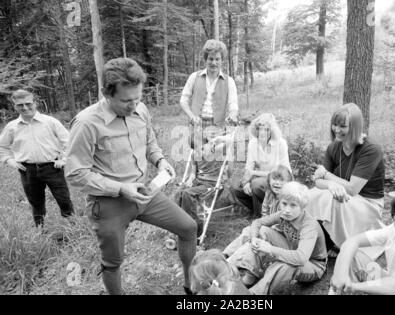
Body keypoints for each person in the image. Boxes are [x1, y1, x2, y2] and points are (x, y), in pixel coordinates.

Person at [65, 58, 197, 295]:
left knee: (188, 227)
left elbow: (149, 142)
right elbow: (75, 174)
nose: (134, 105)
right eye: (127, 100)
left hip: (145, 194)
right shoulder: (87, 123)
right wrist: (120, 188)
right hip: (108, 204)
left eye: (138, 98)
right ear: (107, 93)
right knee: (113, 262)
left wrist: (160, 160)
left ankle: (190, 284)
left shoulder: (141, 109)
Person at [307, 103, 385, 256]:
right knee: (311, 194)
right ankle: (308, 238)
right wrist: (330, 184)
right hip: (340, 195)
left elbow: (352, 189)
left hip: (368, 203)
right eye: (334, 124)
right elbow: (318, 181)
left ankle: (328, 246)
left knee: (334, 199)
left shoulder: (371, 149)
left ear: (355, 127)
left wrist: (327, 176)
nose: (336, 129)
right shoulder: (333, 147)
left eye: (342, 126)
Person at [227, 182, 328, 295]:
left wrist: (269, 249)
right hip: (292, 249)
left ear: (302, 207)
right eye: (284, 203)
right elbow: (258, 222)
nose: (287, 209)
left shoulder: (309, 226)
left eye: (293, 205)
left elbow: (301, 258)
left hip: (313, 264)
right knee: (263, 231)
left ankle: (254, 293)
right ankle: (249, 274)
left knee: (287, 264)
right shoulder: (283, 214)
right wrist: (255, 238)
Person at [0, 89, 74, 227]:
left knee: (64, 200)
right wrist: (10, 161)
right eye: (20, 105)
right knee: (36, 203)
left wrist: (63, 159)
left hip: (52, 167)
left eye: (28, 103)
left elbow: (69, 142)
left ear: (35, 103)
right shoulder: (12, 127)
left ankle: (72, 229)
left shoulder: (50, 122)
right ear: (14, 106)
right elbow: (2, 147)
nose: (25, 107)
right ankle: (41, 231)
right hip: (27, 170)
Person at [223, 165, 293, 257]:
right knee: (249, 230)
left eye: (281, 180)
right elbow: (265, 212)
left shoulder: (288, 200)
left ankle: (238, 257)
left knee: (257, 235)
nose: (277, 183)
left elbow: (285, 225)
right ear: (269, 180)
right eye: (274, 179)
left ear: (288, 183)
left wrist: (265, 228)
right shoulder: (269, 194)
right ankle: (227, 254)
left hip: (282, 236)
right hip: (269, 227)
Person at [174, 127, 232, 237]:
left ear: (207, 143)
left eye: (201, 148)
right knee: (178, 193)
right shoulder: (194, 155)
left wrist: (217, 139)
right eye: (196, 150)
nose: (199, 152)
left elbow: (229, 141)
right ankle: (177, 224)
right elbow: (193, 173)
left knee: (187, 194)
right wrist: (189, 181)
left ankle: (195, 227)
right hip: (198, 182)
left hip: (212, 184)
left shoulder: (215, 150)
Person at [232, 113, 291, 219]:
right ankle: (260, 209)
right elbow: (249, 167)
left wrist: (254, 174)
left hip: (280, 178)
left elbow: (279, 171)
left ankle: (259, 218)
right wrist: (246, 182)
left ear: (271, 131)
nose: (262, 132)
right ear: (256, 129)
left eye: (266, 129)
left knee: (256, 184)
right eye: (260, 129)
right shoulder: (253, 143)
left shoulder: (280, 143)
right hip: (261, 179)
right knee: (236, 188)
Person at [180, 39, 238, 128]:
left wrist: (232, 115)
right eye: (211, 59)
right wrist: (191, 115)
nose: (213, 63)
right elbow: (184, 100)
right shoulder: (194, 77)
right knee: (195, 142)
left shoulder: (229, 81)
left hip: (218, 128)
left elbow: (233, 104)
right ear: (205, 59)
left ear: (222, 60)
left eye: (217, 59)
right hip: (196, 126)